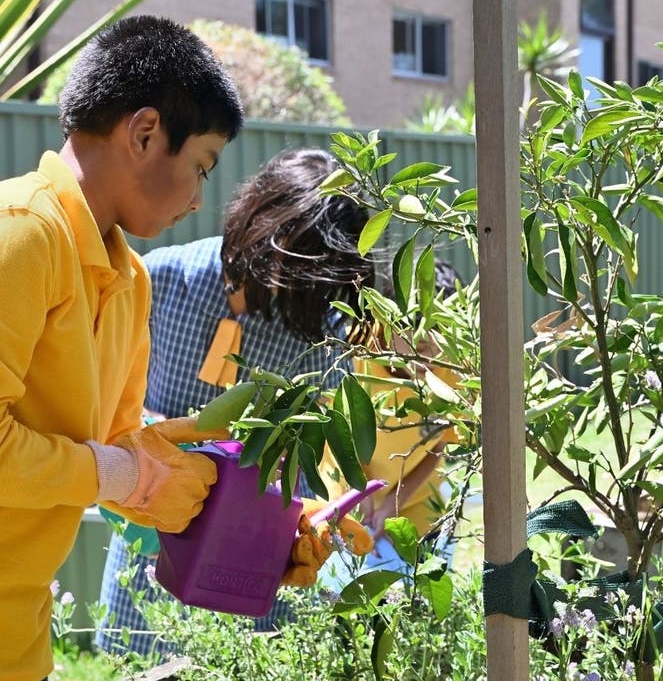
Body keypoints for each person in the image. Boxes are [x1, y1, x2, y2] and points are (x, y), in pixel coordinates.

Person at [0, 15, 245, 681]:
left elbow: (115, 456)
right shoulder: (20, 235)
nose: (199, 199)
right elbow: (106, 469)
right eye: (201, 166)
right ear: (144, 133)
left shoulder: (130, 280)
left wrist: (260, 525)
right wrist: (126, 473)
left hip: (21, 642)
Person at [95, 147, 375, 657]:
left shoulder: (321, 332)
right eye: (309, 276)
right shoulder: (157, 280)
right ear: (269, 230)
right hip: (153, 550)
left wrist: (312, 517)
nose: (317, 299)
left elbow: (312, 461)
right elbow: (99, 411)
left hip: (254, 563)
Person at [319, 259, 462, 588]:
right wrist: (361, 492)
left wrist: (392, 505)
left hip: (416, 501)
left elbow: (439, 446)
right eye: (414, 325)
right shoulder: (354, 351)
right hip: (344, 494)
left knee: (419, 599)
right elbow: (334, 428)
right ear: (385, 319)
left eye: (439, 327)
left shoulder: (451, 368)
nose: (427, 342)